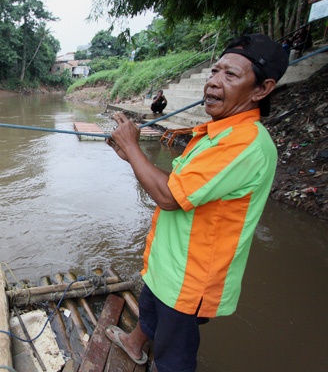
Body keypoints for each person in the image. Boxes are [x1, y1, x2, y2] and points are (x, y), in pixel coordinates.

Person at [105, 33, 288, 372]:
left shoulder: (245, 144)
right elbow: (179, 184)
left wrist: (133, 148)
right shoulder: (216, 134)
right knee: (149, 309)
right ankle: (133, 344)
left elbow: (171, 197)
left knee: (175, 356)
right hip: (168, 261)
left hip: (191, 277)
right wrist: (131, 156)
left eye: (230, 75)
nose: (214, 83)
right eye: (215, 71)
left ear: (262, 90)